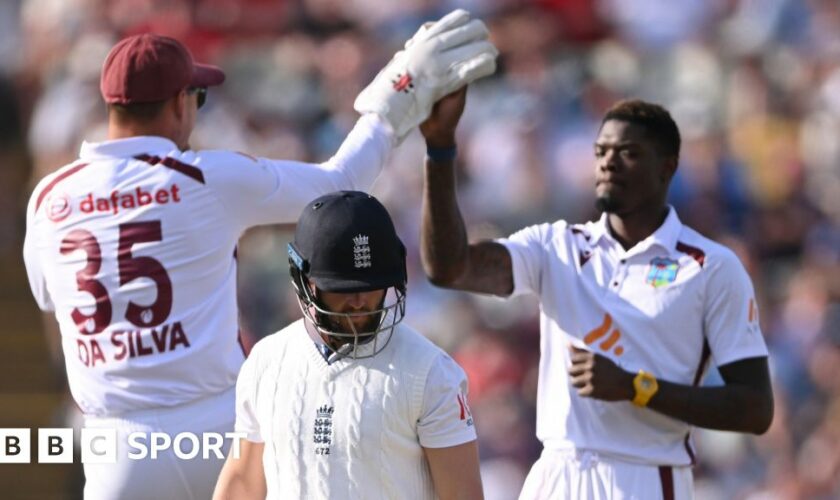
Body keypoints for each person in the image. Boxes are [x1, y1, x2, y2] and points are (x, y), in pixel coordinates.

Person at [23, 11, 496, 500]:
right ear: (179, 103)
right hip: (218, 423)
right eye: (197, 98)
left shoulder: (47, 197)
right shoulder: (204, 178)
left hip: (116, 443)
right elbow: (338, 186)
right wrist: (397, 93)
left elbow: (49, 299)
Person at [420, 98, 774, 499]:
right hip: (555, 473)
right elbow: (448, 268)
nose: (608, 163)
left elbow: (754, 409)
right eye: (601, 152)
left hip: (643, 476)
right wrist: (440, 148)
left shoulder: (711, 266)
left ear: (667, 167)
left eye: (628, 153)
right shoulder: (556, 246)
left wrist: (635, 388)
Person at [212, 190, 483, 500]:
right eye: (342, 289)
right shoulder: (265, 361)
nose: (359, 303)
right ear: (304, 281)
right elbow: (243, 480)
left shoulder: (431, 373)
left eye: (371, 286)